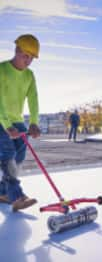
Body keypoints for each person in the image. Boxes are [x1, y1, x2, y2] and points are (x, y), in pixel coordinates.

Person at [0, 34, 41, 211]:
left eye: (32, 57)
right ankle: (17, 197)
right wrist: (6, 125)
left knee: (19, 157)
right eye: (26, 55)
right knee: (7, 155)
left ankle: (3, 192)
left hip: (17, 121)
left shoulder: (29, 76)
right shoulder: (2, 70)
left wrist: (33, 122)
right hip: (1, 120)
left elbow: (33, 99)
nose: (29, 60)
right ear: (16, 50)